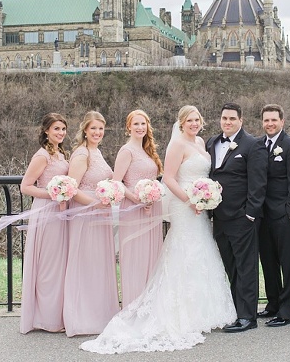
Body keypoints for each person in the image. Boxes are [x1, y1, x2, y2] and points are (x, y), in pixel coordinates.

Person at [80, 105, 235, 353]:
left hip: (199, 206)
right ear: (181, 123)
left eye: (197, 120)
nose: (194, 124)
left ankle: (202, 311)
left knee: (201, 251)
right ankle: (179, 311)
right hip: (184, 205)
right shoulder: (176, 145)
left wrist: (206, 195)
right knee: (183, 250)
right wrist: (189, 199)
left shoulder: (202, 143)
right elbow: (170, 178)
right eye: (189, 120)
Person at [207, 102, 268, 333]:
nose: (228, 122)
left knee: (246, 268)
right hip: (219, 218)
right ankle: (234, 311)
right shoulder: (212, 142)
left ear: (240, 120)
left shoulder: (253, 145)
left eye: (232, 118)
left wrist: (250, 215)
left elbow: (258, 183)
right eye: (224, 118)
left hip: (243, 219)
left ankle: (247, 317)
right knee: (230, 268)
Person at [63, 111, 120, 336]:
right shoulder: (81, 154)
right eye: (93, 128)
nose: (97, 133)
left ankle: (100, 314)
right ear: (85, 130)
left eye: (101, 129)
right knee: (85, 262)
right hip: (85, 214)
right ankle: (81, 317)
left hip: (101, 213)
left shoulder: (97, 152)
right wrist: (94, 204)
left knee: (99, 263)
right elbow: (72, 189)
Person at [19, 113, 70, 334]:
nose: (60, 133)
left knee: (59, 264)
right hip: (46, 212)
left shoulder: (60, 154)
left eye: (63, 129)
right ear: (47, 131)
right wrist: (53, 194)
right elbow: (26, 186)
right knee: (48, 265)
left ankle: (56, 314)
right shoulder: (42, 156)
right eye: (56, 129)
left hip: (60, 213)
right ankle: (46, 319)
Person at [257, 104, 290, 327]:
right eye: (266, 120)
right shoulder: (258, 145)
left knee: (287, 262)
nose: (270, 124)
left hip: (284, 215)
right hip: (262, 214)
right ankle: (273, 304)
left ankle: (287, 311)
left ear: (282, 121)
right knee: (267, 261)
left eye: (274, 120)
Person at [116, 109, 164, 307]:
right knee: (136, 257)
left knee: (151, 257)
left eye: (143, 124)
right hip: (133, 210)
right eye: (136, 124)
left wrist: (152, 195)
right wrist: (138, 199)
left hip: (152, 208)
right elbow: (116, 182)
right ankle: (133, 306)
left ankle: (149, 305)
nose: (140, 127)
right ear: (129, 127)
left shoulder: (147, 150)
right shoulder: (126, 151)